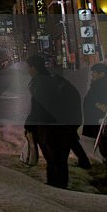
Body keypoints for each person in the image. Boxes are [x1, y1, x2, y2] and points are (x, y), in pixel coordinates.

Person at [25, 55, 83, 188]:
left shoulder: (40, 83)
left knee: (54, 160)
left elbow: (39, 109)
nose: (28, 70)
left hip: (50, 129)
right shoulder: (54, 80)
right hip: (64, 127)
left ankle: (56, 187)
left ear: (34, 67)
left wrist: (29, 125)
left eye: (29, 67)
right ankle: (58, 186)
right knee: (59, 161)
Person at [82, 63, 107, 138]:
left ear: (101, 74)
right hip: (93, 125)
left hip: (96, 126)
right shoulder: (95, 87)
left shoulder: (101, 89)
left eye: (94, 72)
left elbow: (104, 108)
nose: (92, 74)